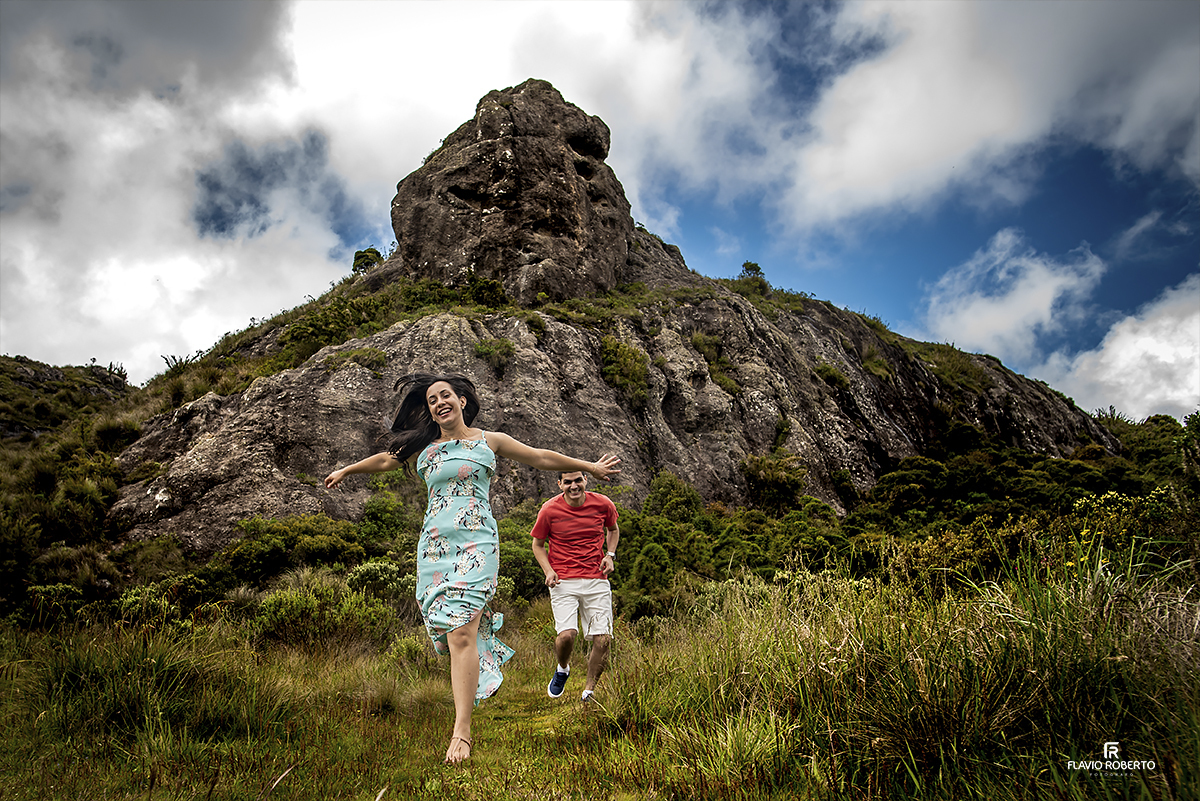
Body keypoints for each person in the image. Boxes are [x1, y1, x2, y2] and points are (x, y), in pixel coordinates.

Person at [325, 373, 620, 764]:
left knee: (463, 630)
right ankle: (475, 683)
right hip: (435, 548)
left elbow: (540, 456)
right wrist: (347, 470)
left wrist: (590, 467)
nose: (439, 403)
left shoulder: (489, 440)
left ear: (461, 400)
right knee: (452, 633)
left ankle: (461, 732)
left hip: (477, 544)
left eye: (445, 395)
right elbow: (386, 460)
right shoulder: (424, 446)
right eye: (432, 400)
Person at [530, 469, 620, 703]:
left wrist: (610, 555)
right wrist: (548, 571)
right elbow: (537, 545)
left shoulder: (603, 504)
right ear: (559, 484)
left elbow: (613, 529)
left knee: (603, 640)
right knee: (567, 636)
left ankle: (589, 691)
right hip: (563, 581)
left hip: (597, 578)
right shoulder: (549, 509)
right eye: (568, 482)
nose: (574, 486)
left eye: (578, 480)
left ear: (586, 480)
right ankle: (562, 668)